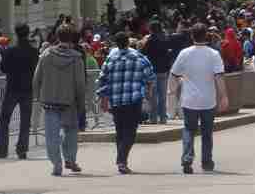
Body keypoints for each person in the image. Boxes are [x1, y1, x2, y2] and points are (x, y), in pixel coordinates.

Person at [170, 23, 229, 174]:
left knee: (189, 130)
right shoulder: (213, 54)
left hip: (189, 100)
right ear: (207, 35)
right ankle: (207, 161)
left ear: (192, 36)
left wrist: (172, 92)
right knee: (207, 132)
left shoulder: (184, 53)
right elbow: (219, 77)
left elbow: (174, 74)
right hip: (208, 100)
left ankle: (187, 159)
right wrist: (224, 97)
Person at [96, 31, 156, 174]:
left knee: (120, 131)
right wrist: (148, 92)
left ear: (116, 43)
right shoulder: (139, 57)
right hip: (133, 99)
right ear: (128, 42)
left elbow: (102, 79)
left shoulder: (110, 59)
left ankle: (121, 160)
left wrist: (103, 99)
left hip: (116, 100)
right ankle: (122, 159)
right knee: (130, 131)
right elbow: (150, 76)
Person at [32, 24, 86, 177]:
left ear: (57, 37)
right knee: (71, 133)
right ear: (72, 39)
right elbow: (80, 85)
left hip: (49, 102)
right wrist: (81, 104)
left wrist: (37, 97)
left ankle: (56, 164)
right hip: (69, 103)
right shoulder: (76, 59)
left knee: (51, 136)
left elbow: (36, 79)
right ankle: (70, 159)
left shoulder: (46, 55)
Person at [0, 23, 39, 160]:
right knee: (25, 121)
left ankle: (2, 150)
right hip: (27, 89)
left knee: (4, 119)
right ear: (28, 33)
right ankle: (22, 149)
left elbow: (3, 68)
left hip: (12, 88)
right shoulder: (33, 51)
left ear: (16, 33)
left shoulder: (10, 51)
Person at [143, 21, 173, 124]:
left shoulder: (150, 40)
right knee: (163, 95)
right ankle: (163, 118)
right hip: (164, 70)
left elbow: (143, 52)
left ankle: (153, 118)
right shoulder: (165, 38)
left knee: (153, 96)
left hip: (153, 70)